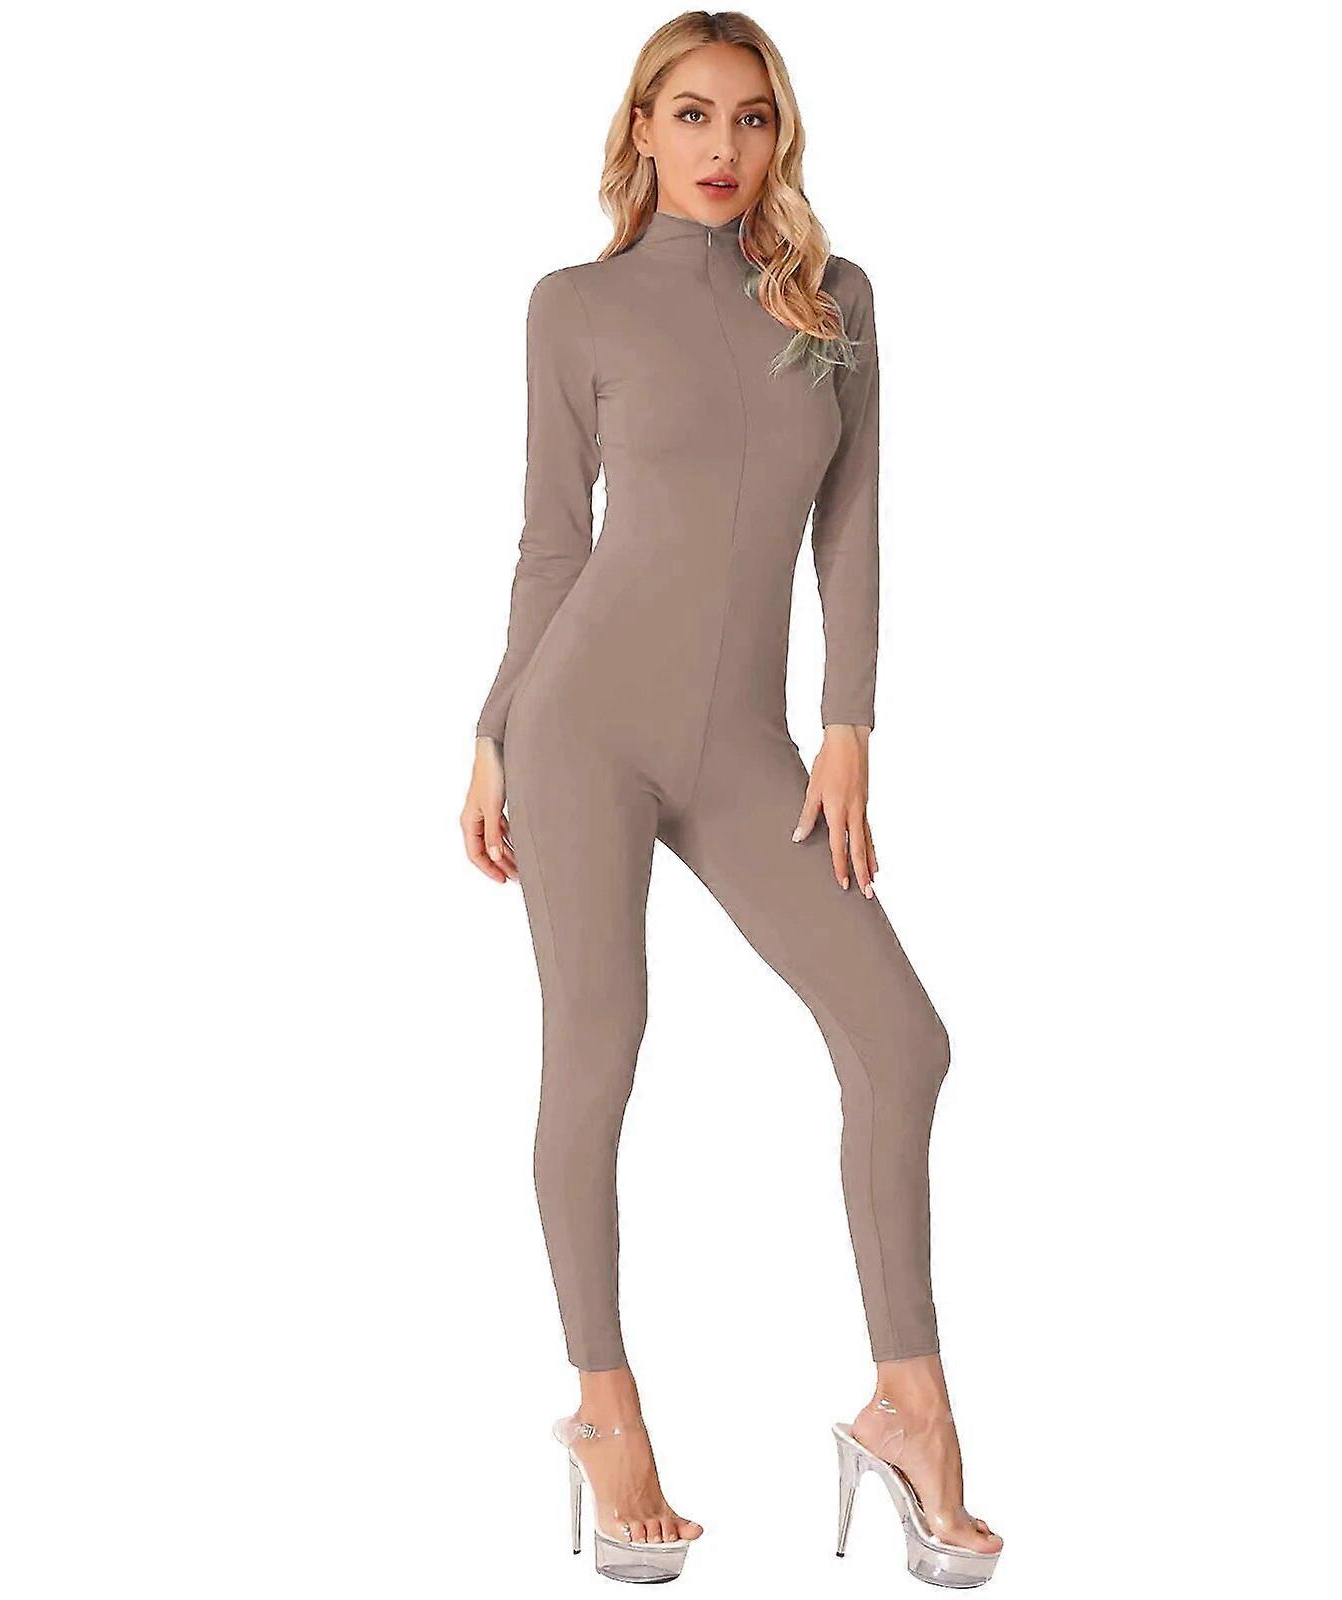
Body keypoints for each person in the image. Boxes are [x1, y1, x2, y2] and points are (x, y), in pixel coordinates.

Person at [460, 12, 1002, 1584]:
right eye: (690, 115)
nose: (721, 147)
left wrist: (850, 723)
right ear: (641, 127)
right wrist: (495, 731)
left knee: (902, 1041)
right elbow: (551, 543)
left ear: (782, 136)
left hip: (747, 744)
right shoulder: (574, 307)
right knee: (599, 1052)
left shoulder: (832, 302)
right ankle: (606, 1415)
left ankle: (909, 1412)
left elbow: (856, 527)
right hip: (581, 726)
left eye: (752, 118)